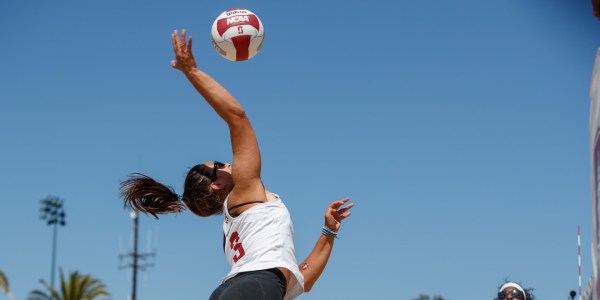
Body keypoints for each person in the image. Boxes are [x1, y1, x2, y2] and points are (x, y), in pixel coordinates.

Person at [119, 29, 353, 300]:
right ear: (217, 183)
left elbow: (303, 280)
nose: (230, 162)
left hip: (238, 289)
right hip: (251, 287)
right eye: (220, 164)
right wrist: (192, 71)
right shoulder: (242, 191)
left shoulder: (244, 234)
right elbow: (237, 118)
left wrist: (328, 232)